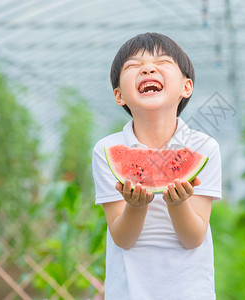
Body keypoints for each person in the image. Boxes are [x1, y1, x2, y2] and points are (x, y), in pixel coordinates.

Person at [92, 32, 222, 300]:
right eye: (133, 66)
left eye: (162, 62)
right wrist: (136, 206)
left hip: (190, 291)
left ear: (186, 87)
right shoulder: (105, 151)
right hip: (129, 292)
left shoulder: (204, 148)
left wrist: (177, 203)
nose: (148, 68)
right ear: (119, 95)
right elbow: (123, 239)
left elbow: (193, 238)